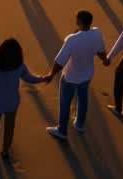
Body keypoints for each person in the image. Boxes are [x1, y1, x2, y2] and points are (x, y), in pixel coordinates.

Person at [45, 10, 105, 140]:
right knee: (83, 99)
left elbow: (60, 61)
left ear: (79, 22)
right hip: (87, 75)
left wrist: (51, 75)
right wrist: (104, 59)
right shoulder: (97, 33)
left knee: (65, 103)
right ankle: (79, 124)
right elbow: (101, 52)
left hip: (70, 77)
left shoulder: (72, 39)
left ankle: (62, 131)